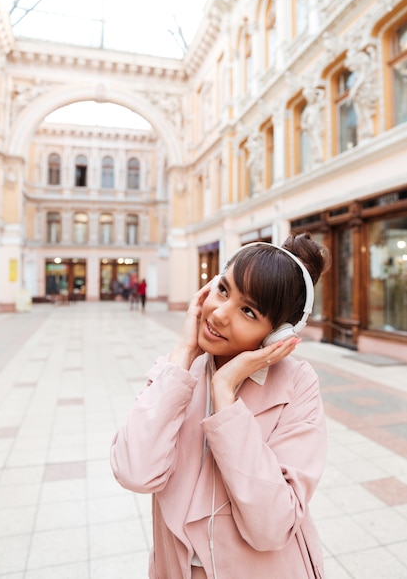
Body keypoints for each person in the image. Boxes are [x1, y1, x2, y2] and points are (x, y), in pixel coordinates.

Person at [110, 232, 331, 579]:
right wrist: (182, 355)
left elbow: (271, 527)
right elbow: (135, 472)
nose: (220, 314)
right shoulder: (179, 375)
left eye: (248, 310)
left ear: (277, 335)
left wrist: (225, 394)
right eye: (223, 290)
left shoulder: (298, 385)